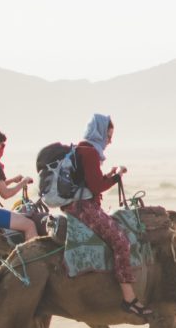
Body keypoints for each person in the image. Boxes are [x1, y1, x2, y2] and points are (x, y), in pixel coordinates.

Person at [60, 114, 151, 317]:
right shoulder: (90, 152)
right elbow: (96, 186)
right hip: (84, 207)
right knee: (121, 242)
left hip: (80, 204)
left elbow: (91, 181)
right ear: (100, 133)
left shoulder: (83, 149)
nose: (110, 140)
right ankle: (129, 298)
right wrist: (116, 176)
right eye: (108, 135)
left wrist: (110, 175)